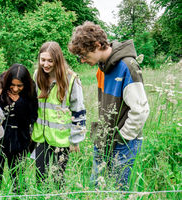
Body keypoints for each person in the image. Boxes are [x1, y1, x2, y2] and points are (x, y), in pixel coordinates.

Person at [68, 21, 150, 190]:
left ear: (98, 45)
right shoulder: (102, 68)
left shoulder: (127, 66)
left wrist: (123, 137)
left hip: (124, 141)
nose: (82, 60)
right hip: (103, 136)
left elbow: (141, 110)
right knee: (95, 187)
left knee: (119, 190)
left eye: (83, 55)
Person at [32, 41, 86, 186]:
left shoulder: (71, 79)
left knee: (58, 179)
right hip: (41, 137)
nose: (46, 64)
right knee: (40, 179)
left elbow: (79, 110)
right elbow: (33, 106)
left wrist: (75, 140)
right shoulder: (37, 75)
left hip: (62, 139)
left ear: (58, 60)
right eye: (43, 60)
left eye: (50, 60)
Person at [0, 63, 38, 190]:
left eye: (19, 86)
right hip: (0, 136)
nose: (15, 89)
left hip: (21, 136)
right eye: (12, 85)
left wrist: (19, 102)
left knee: (18, 176)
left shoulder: (31, 89)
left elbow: (32, 115)